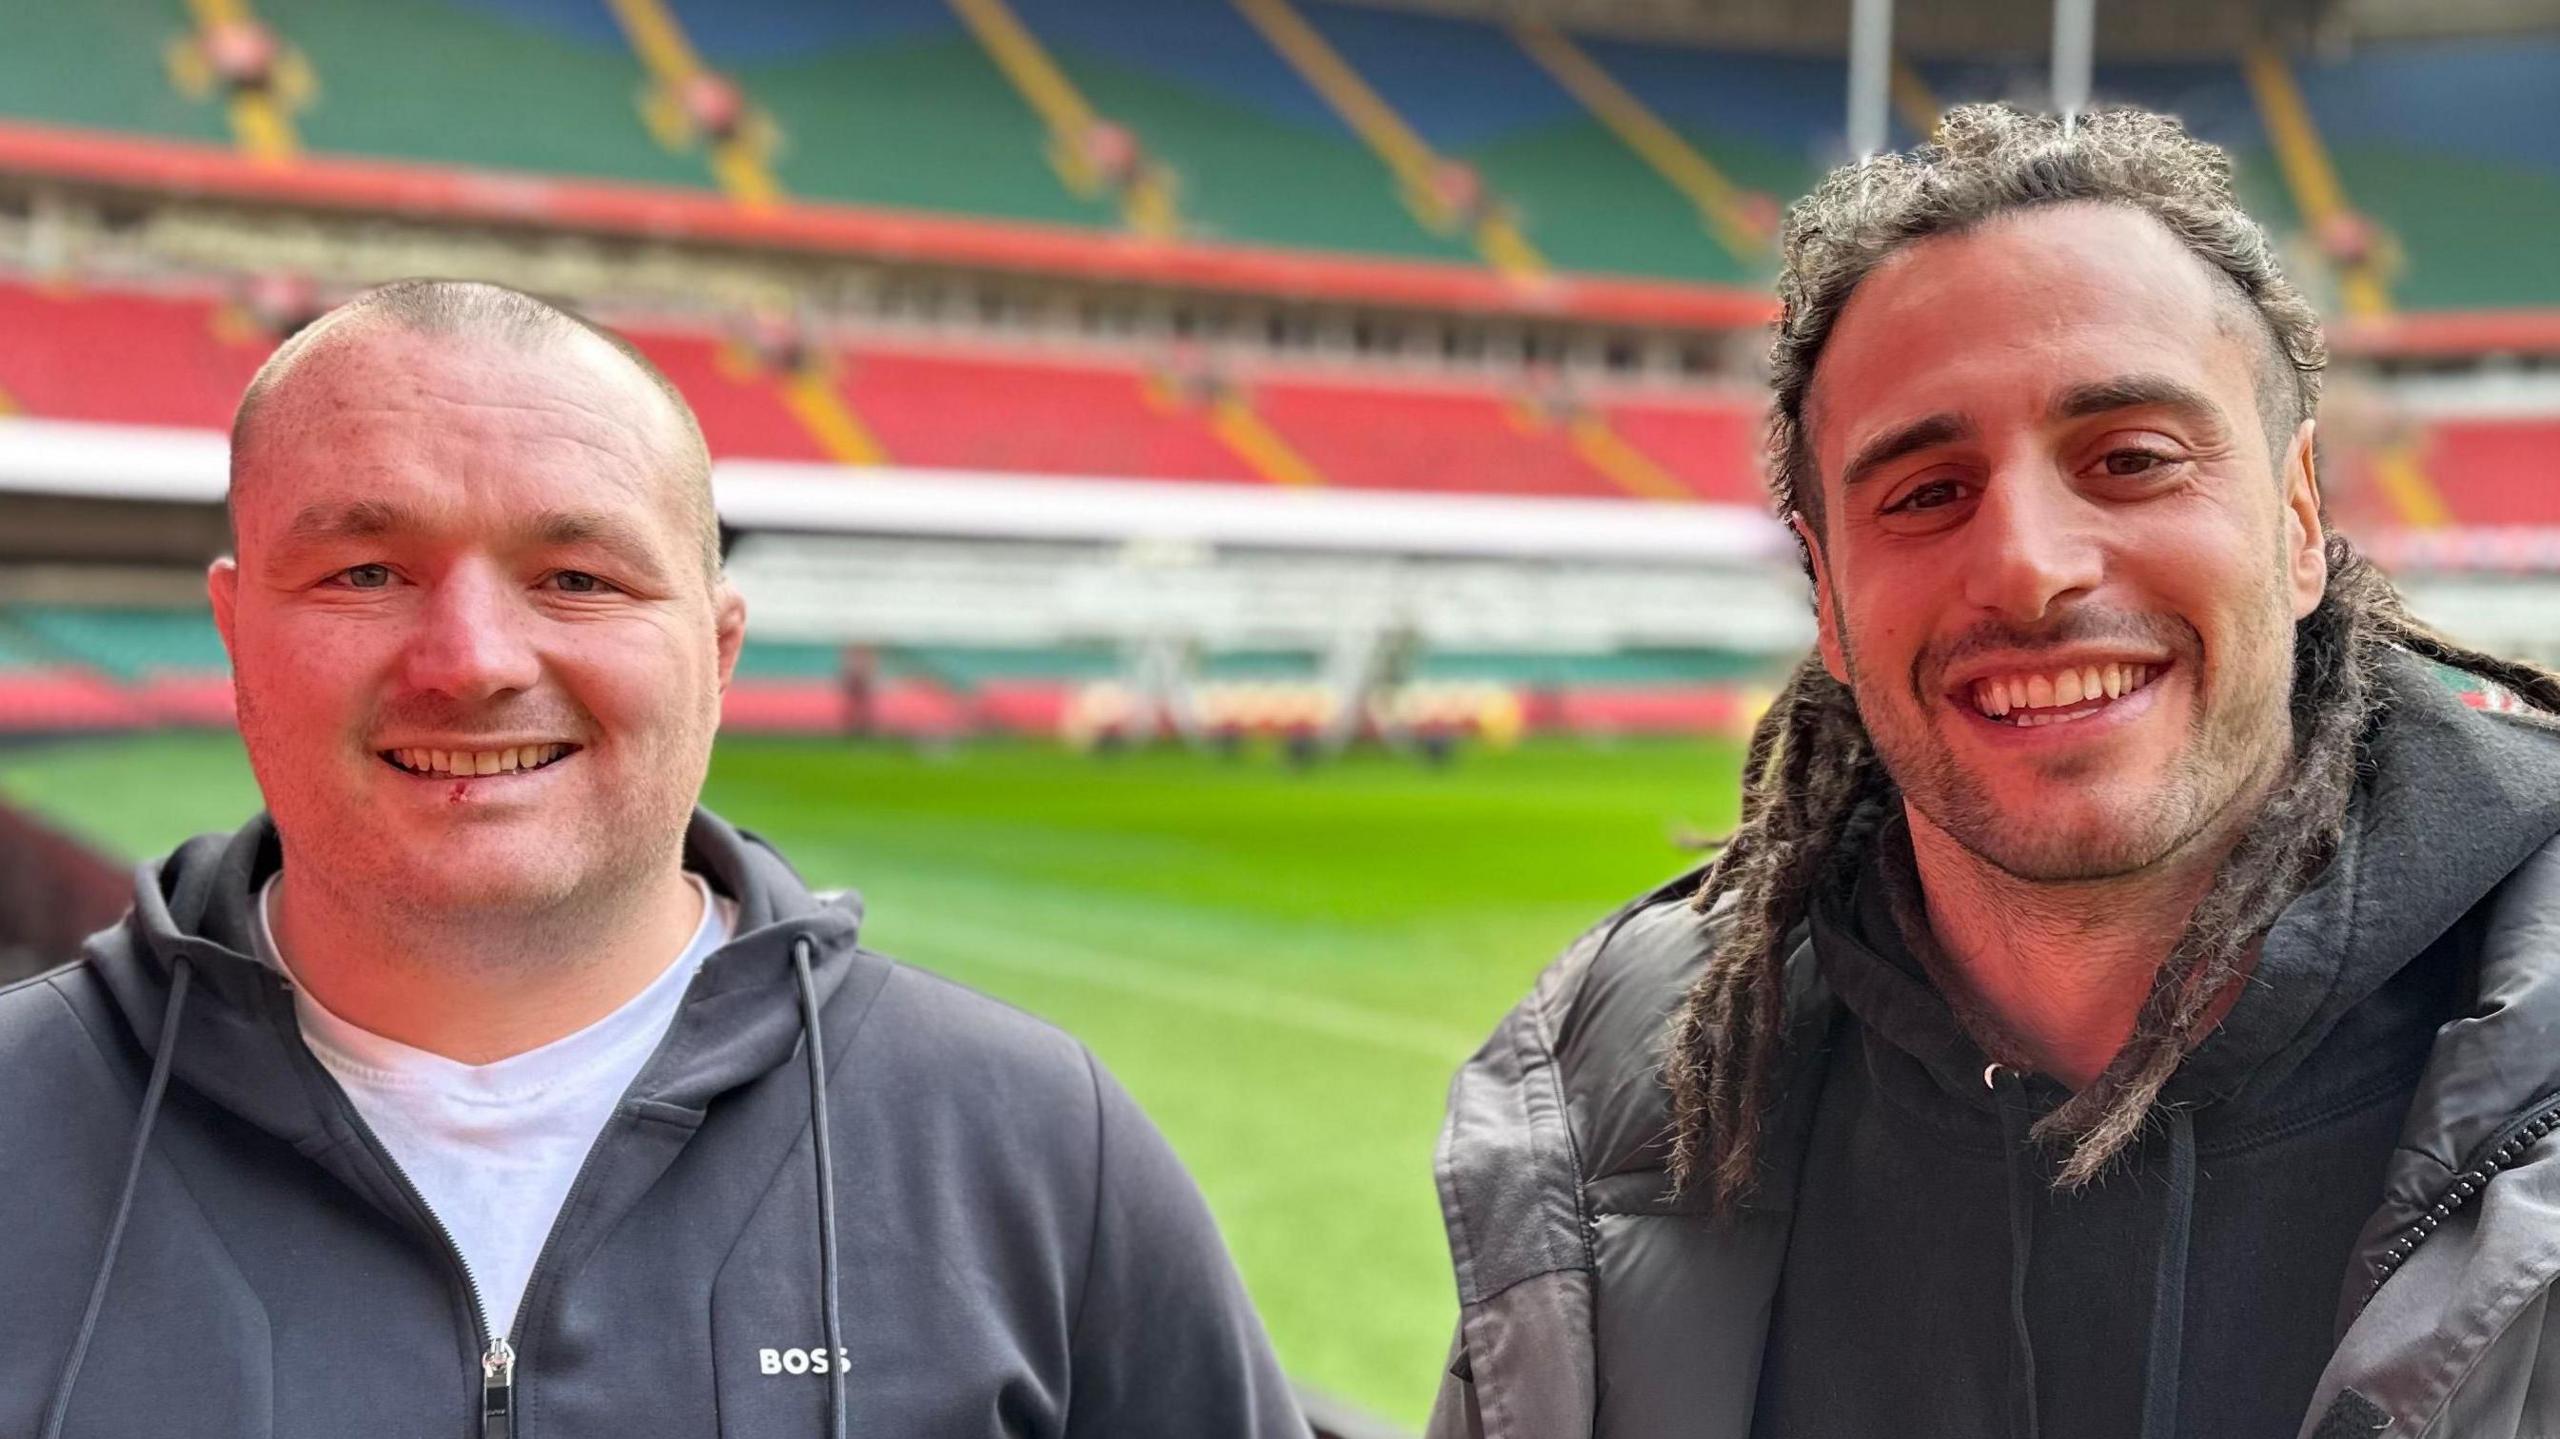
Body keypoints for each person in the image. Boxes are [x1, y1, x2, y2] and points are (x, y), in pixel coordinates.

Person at [0, 280, 1305, 1439]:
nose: (472, 662)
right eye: (364, 571)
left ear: (720, 652)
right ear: (236, 633)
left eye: (576, 578)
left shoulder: (1035, 1149)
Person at [1429, 105, 2560, 1439]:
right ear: (1829, 600)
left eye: (2131, 458)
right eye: (1923, 494)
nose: (2029, 563)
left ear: (2300, 520)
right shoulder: (1627, 1091)